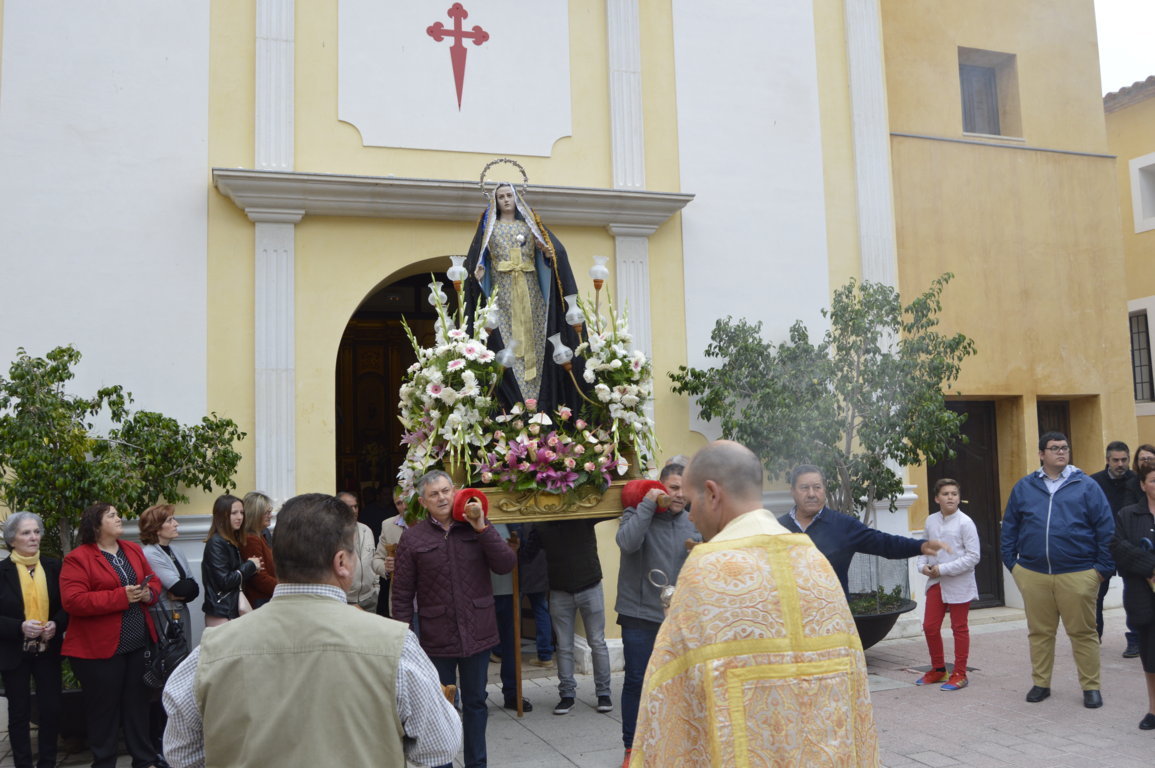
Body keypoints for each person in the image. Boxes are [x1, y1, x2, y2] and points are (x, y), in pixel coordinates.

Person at [163, 493, 461, 767]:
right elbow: (438, 747)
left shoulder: (212, 650)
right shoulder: (395, 645)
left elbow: (181, 754)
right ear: (342, 562)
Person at [630, 441, 877, 766]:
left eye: (692, 502)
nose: (690, 516)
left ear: (712, 493)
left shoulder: (705, 567)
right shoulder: (814, 559)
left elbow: (668, 688)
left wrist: (674, 620)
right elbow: (853, 678)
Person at [392, 470, 516, 768]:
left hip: (478, 630)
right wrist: (404, 640)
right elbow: (402, 594)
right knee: (438, 706)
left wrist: (482, 527)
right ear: (423, 502)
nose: (442, 498)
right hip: (436, 637)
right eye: (434, 494)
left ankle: (477, 764)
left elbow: (505, 564)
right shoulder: (413, 538)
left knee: (476, 702)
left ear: (455, 491)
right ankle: (442, 763)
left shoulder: (475, 526)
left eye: (446, 490)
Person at [1001, 431, 1114, 708]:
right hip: (1033, 574)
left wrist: (1101, 569)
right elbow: (1010, 526)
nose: (1061, 452)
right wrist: (1013, 565)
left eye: (1064, 447)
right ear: (1042, 454)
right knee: (1040, 633)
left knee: (1083, 633)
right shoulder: (1025, 487)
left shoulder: (1086, 486)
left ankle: (1091, 687)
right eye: (1054, 448)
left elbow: (1106, 528)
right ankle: (1041, 683)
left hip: (1078, 573)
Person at [464, 182, 584, 414]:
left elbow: (550, 253)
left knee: (535, 336)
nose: (506, 200)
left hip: (530, 291)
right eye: (501, 197)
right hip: (503, 292)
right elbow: (480, 257)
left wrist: (548, 253)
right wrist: (478, 271)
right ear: (495, 201)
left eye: (509, 195)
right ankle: (514, 399)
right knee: (505, 335)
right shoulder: (490, 228)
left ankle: (537, 397)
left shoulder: (528, 226)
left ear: (517, 198)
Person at [61, 502, 163, 768]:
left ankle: (144, 760)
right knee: (103, 710)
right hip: (98, 650)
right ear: (96, 525)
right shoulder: (78, 558)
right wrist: (121, 597)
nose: (119, 518)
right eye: (112, 515)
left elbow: (153, 580)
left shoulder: (132, 549)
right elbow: (73, 601)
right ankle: (104, 762)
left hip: (137, 643)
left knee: (138, 706)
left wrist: (148, 593)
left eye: (118, 514)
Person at [614, 462, 699, 766]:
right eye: (673, 488)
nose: (679, 495)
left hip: (680, 616)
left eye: (685, 489)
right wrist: (649, 505)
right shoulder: (636, 513)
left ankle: (673, 745)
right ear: (660, 486)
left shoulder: (694, 520)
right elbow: (627, 543)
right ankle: (631, 749)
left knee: (680, 683)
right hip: (639, 615)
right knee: (637, 682)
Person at [777, 464, 949, 595]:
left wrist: (920, 546)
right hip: (790, 616)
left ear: (824, 490)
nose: (811, 494)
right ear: (793, 491)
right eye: (804, 488)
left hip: (833, 616)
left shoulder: (843, 526)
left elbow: (884, 543)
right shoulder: (776, 528)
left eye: (817, 487)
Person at [522, 517, 613, 717]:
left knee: (597, 642)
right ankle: (567, 695)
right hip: (560, 591)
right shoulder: (541, 523)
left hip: (590, 585)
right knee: (564, 646)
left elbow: (609, 509)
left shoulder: (581, 514)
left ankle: (604, 694)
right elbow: (528, 554)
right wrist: (515, 547)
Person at [0, 512, 68, 768]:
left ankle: (47, 763)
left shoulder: (53, 567)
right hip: (14, 652)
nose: (33, 537)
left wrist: (56, 624)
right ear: (12, 539)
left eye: (36, 532)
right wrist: (20, 627)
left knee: (51, 709)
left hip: (48, 649)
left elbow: (67, 606)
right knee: (19, 713)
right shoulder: (2, 571)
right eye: (26, 533)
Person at [139, 504, 200, 757]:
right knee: (165, 674)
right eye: (170, 520)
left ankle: (175, 738)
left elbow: (192, 588)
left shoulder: (176, 551)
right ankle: (159, 741)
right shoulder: (149, 554)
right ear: (156, 527)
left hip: (180, 616)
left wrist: (181, 590)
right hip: (162, 620)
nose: (176, 524)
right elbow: (178, 587)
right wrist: (180, 589)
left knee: (180, 672)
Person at [914, 478, 980, 691]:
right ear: (937, 498)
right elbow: (924, 547)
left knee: (959, 628)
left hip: (959, 582)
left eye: (954, 494)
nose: (950, 497)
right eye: (945, 494)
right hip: (936, 582)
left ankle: (960, 673)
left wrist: (943, 569)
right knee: (930, 626)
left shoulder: (965, 523)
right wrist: (922, 566)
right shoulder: (931, 520)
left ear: (959, 498)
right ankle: (938, 669)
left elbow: (973, 556)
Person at [1109, 464, 1155, 730]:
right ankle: (1153, 709)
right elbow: (1118, 548)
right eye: (1153, 480)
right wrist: (1151, 568)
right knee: (1150, 656)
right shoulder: (1128, 514)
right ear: (1142, 485)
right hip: (1143, 598)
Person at [1090, 440, 1142, 656]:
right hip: (1103, 548)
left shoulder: (1137, 481)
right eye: (1115, 460)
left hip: (1131, 547)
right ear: (1107, 460)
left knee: (1135, 594)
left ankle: (1135, 640)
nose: (1120, 464)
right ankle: (1093, 637)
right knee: (1096, 595)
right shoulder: (1094, 482)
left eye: (1124, 460)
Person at [489, 522, 532, 712]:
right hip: (480, 593)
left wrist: (519, 548)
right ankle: (477, 696)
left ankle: (513, 694)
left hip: (509, 591)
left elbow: (529, 551)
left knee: (511, 645)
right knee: (480, 650)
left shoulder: (512, 520)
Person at [201, 495, 261, 627]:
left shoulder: (230, 541)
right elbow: (225, 581)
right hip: (222, 612)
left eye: (242, 512)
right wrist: (250, 566)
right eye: (234, 513)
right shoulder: (216, 543)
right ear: (221, 516)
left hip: (229, 611)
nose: (240, 517)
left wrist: (251, 568)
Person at [513, 522, 553, 668]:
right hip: (540, 571)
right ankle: (545, 655)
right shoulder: (540, 518)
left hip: (522, 570)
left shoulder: (518, 520)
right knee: (541, 610)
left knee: (512, 612)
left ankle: (502, 652)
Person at [337, 491, 379, 612]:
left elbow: (373, 559)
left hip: (369, 598)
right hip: (344, 600)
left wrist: (376, 587)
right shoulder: (332, 534)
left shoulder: (366, 530)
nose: (354, 510)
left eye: (355, 506)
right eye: (349, 507)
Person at [371, 490, 410, 619]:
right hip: (401, 600)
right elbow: (377, 560)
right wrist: (386, 568)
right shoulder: (388, 525)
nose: (404, 506)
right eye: (399, 503)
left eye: (407, 500)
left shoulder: (430, 521)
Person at [238, 492, 277, 609]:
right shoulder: (251, 539)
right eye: (267, 513)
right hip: (260, 602)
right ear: (255, 514)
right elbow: (260, 579)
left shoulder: (260, 536)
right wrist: (285, 588)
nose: (271, 515)